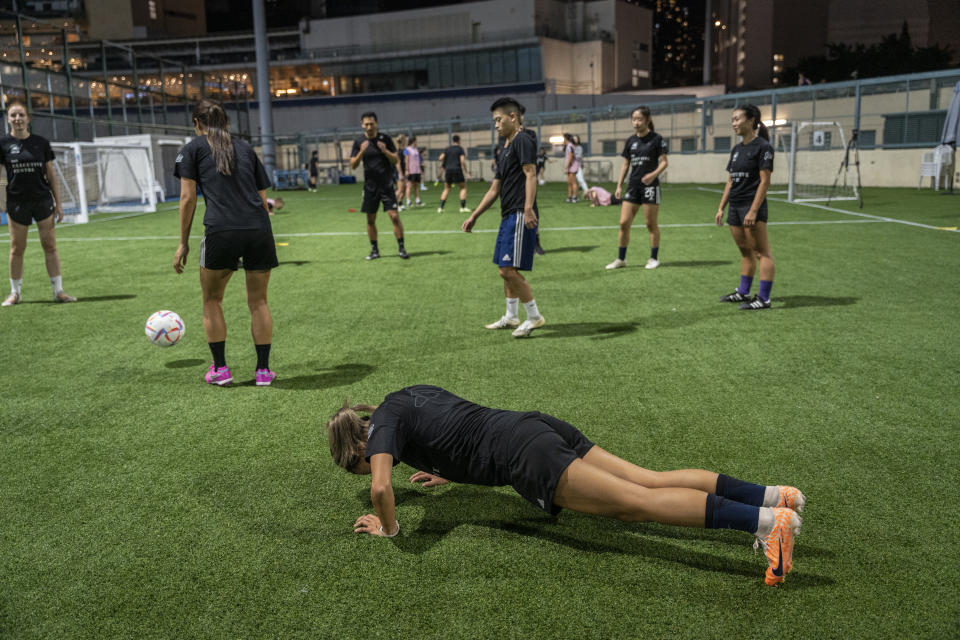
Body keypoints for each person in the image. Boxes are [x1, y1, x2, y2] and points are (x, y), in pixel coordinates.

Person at [326, 384, 805, 587]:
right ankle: (772, 495)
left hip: (524, 455)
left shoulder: (382, 433)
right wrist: (449, 470)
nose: (372, 468)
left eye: (362, 465)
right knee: (649, 479)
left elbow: (383, 490)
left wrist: (388, 529)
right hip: (532, 425)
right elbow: (455, 425)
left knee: (636, 504)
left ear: (359, 451)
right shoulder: (402, 399)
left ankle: (767, 524)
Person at [173, 98, 278, 387]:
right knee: (259, 301)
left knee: (212, 300)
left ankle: (220, 370)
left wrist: (183, 243)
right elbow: (261, 197)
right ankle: (263, 372)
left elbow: (187, 198)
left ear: (197, 123)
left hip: (221, 231)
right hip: (259, 229)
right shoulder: (245, 148)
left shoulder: (192, 149)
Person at [462, 97, 545, 338]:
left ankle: (534, 317)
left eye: (499, 119)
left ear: (513, 117)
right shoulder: (506, 148)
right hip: (507, 215)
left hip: (520, 213)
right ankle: (511, 316)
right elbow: (494, 189)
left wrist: (528, 208)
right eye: (494, 121)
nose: (496, 125)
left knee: (507, 270)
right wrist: (475, 215)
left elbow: (531, 175)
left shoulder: (523, 140)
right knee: (503, 267)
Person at [0, 100, 76, 306]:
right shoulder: (3, 144)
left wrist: (58, 204)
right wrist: (2, 200)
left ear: (28, 118)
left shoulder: (41, 143)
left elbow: (51, 175)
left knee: (50, 245)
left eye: (21, 115)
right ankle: (15, 293)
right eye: (13, 115)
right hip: (16, 202)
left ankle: (58, 291)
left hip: (42, 200)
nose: (17, 119)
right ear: (8, 119)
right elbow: (1, 176)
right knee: (17, 248)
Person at [714, 104, 775, 310]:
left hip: (751, 206)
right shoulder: (737, 149)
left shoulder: (763, 147)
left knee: (761, 253)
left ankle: (764, 299)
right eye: (732, 120)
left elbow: (765, 181)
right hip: (735, 206)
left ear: (751, 120)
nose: (734, 123)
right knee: (744, 252)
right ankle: (743, 292)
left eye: (737, 119)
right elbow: (731, 181)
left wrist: (753, 210)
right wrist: (722, 207)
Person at [606, 106, 668, 271]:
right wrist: (619, 185)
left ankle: (654, 258)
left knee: (650, 224)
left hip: (650, 187)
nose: (636, 122)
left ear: (647, 120)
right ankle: (621, 258)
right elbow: (626, 164)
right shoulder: (630, 141)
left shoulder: (657, 139)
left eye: (639, 119)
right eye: (633, 119)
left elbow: (664, 162)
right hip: (633, 186)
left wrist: (653, 175)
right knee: (623, 223)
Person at [349, 113, 409, 260]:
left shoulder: (385, 139)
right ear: (362, 125)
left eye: (371, 124)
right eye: (366, 124)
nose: (369, 127)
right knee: (370, 219)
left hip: (386, 184)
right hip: (370, 186)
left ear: (376, 123)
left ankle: (401, 248)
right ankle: (374, 250)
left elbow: (395, 160)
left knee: (394, 216)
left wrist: (385, 150)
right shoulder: (359, 142)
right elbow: (353, 165)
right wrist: (362, 151)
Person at [437, 135, 470, 213]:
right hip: (457, 169)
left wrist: (447, 160)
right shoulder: (460, 149)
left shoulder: (448, 148)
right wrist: (466, 172)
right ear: (459, 141)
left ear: (452, 141)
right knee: (463, 188)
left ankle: (441, 208)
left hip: (448, 170)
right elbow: (462, 161)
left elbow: (440, 158)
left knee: (447, 188)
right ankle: (463, 207)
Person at [403, 136, 423, 208]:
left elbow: (418, 160)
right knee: (409, 185)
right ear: (413, 141)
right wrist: (407, 170)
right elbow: (406, 160)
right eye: (416, 141)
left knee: (416, 186)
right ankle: (408, 201)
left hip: (417, 170)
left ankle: (417, 200)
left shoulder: (416, 149)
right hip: (411, 171)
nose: (416, 142)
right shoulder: (407, 149)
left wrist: (419, 169)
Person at [393, 134, 408, 211]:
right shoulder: (398, 151)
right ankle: (393, 205)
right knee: (400, 189)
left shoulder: (404, 150)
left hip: (403, 172)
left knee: (404, 189)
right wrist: (401, 174)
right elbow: (397, 163)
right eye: (405, 140)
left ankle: (400, 204)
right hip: (399, 172)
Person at [563, 133, 579, 203]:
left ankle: (575, 197)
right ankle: (570, 197)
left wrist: (567, 166)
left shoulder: (570, 146)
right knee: (569, 182)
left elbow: (570, 156)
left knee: (573, 182)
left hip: (572, 166)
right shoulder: (568, 146)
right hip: (570, 166)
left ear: (566, 138)